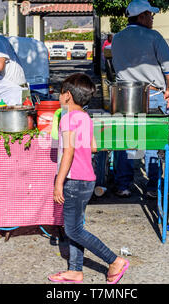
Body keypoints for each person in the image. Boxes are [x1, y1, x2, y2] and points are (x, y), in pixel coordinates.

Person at [49, 73, 129, 284]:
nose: (59, 96)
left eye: (60, 93)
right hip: (88, 179)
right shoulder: (85, 117)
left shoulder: (67, 118)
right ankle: (75, 270)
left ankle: (114, 260)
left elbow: (68, 152)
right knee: (77, 227)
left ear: (67, 95)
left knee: (73, 229)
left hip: (74, 180)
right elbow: (93, 147)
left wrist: (58, 182)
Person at [111, 0, 169, 199]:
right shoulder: (153, 36)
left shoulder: (117, 38)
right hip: (153, 95)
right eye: (150, 15)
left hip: (124, 95)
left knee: (123, 142)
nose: (152, 19)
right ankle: (152, 186)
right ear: (141, 16)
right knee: (153, 141)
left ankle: (123, 185)